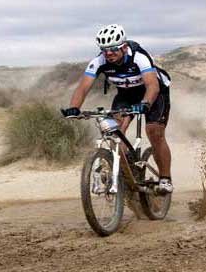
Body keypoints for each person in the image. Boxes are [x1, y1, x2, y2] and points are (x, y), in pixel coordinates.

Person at [61, 24, 174, 194]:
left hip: (155, 93)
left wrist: (145, 104)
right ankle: (125, 171)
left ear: (124, 47)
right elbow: (83, 87)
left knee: (154, 131)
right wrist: (74, 108)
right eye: (104, 49)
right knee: (115, 132)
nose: (109, 53)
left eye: (113, 49)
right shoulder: (99, 61)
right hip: (126, 94)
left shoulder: (139, 57)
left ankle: (165, 178)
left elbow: (152, 85)